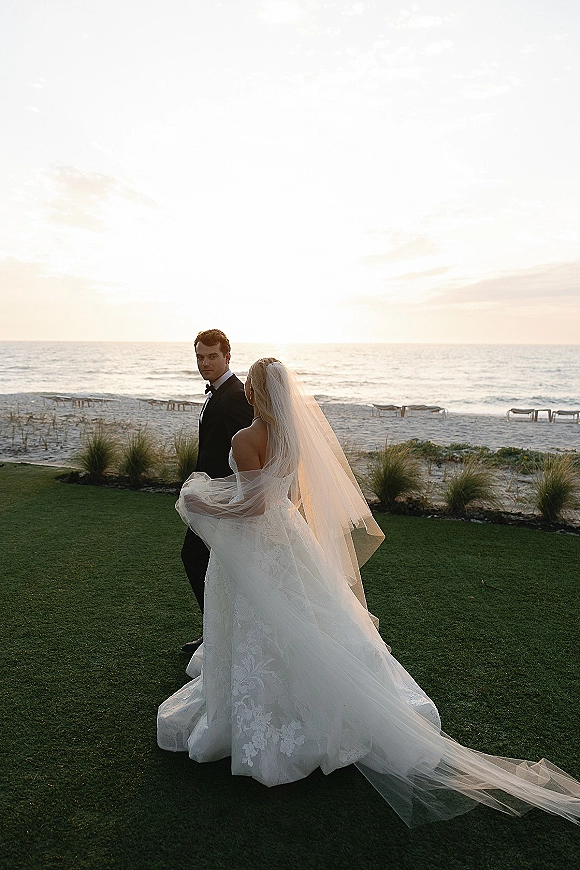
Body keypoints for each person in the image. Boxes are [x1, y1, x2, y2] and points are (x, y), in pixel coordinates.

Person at [158, 359, 580, 828]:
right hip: (290, 539)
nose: (251, 394)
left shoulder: (246, 438)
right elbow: (283, 496)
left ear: (259, 391)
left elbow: (254, 504)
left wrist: (203, 503)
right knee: (310, 620)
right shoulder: (291, 438)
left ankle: (270, 724)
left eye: (253, 387)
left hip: (261, 545)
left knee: (264, 623)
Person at [179, 329, 253, 655]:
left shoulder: (235, 396)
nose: (205, 363)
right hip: (209, 494)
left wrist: (223, 496)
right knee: (210, 563)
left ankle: (219, 634)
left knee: (196, 558)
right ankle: (217, 631)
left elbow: (246, 455)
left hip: (222, 498)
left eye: (212, 356)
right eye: (200, 357)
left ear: (227, 356)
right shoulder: (218, 393)